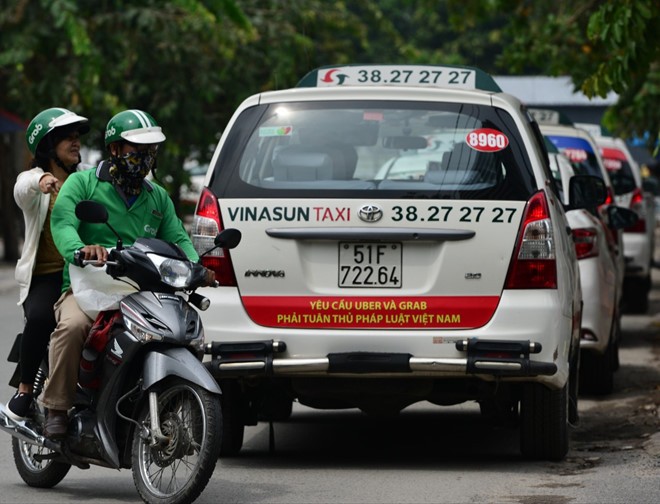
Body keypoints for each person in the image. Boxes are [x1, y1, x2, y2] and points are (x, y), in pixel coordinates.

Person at [40, 109, 214, 438]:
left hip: (138, 290)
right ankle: (57, 406)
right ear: (116, 150)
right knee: (74, 326)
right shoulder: (82, 183)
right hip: (86, 287)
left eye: (150, 151)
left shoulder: (157, 198)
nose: (145, 158)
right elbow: (63, 224)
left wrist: (197, 268)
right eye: (137, 150)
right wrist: (81, 249)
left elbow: (178, 238)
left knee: (174, 330)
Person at [4, 108, 90, 421]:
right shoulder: (36, 182)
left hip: (82, 274)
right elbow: (21, 188)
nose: (75, 142)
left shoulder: (85, 180)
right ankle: (26, 390)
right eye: (67, 137)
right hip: (45, 277)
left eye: (77, 137)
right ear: (47, 145)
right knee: (40, 318)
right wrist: (41, 180)